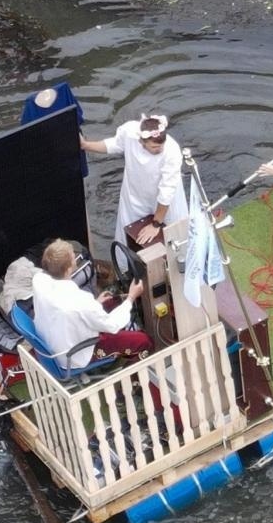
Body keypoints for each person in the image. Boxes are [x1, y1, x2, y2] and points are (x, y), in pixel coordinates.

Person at [31, 239, 151, 368]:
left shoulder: (38, 280)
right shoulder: (81, 300)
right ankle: (131, 377)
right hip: (75, 355)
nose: (76, 258)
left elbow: (76, 309)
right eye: (73, 257)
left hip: (54, 342)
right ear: (68, 269)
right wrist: (131, 297)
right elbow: (112, 325)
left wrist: (96, 303)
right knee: (145, 342)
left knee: (112, 302)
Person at [80, 113, 189, 248]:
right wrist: (86, 145)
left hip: (165, 203)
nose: (160, 149)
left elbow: (167, 191)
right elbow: (114, 144)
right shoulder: (129, 132)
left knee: (173, 239)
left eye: (161, 145)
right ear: (141, 142)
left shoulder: (171, 151)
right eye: (154, 147)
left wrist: (156, 224)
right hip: (135, 197)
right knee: (129, 237)